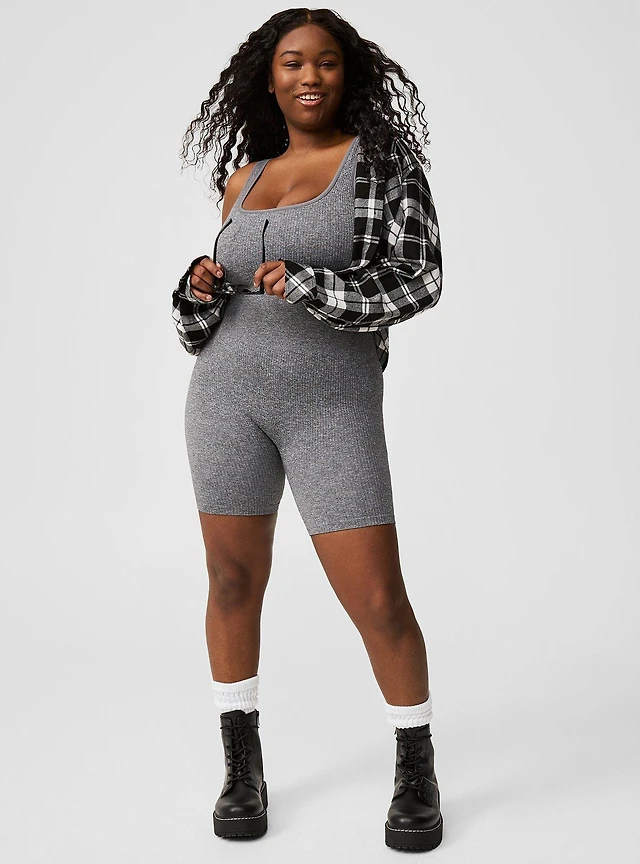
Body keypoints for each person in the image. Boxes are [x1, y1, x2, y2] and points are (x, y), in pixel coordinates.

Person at [171, 7, 444, 852]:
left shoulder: (381, 167)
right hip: (224, 399)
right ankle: (242, 765)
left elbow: (420, 279)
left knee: (378, 599)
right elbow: (199, 328)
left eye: (326, 61)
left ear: (346, 72)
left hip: (333, 402)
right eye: (293, 62)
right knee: (230, 583)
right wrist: (197, 287)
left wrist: (313, 287)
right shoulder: (243, 178)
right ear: (270, 77)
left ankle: (417, 769)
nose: (310, 75)